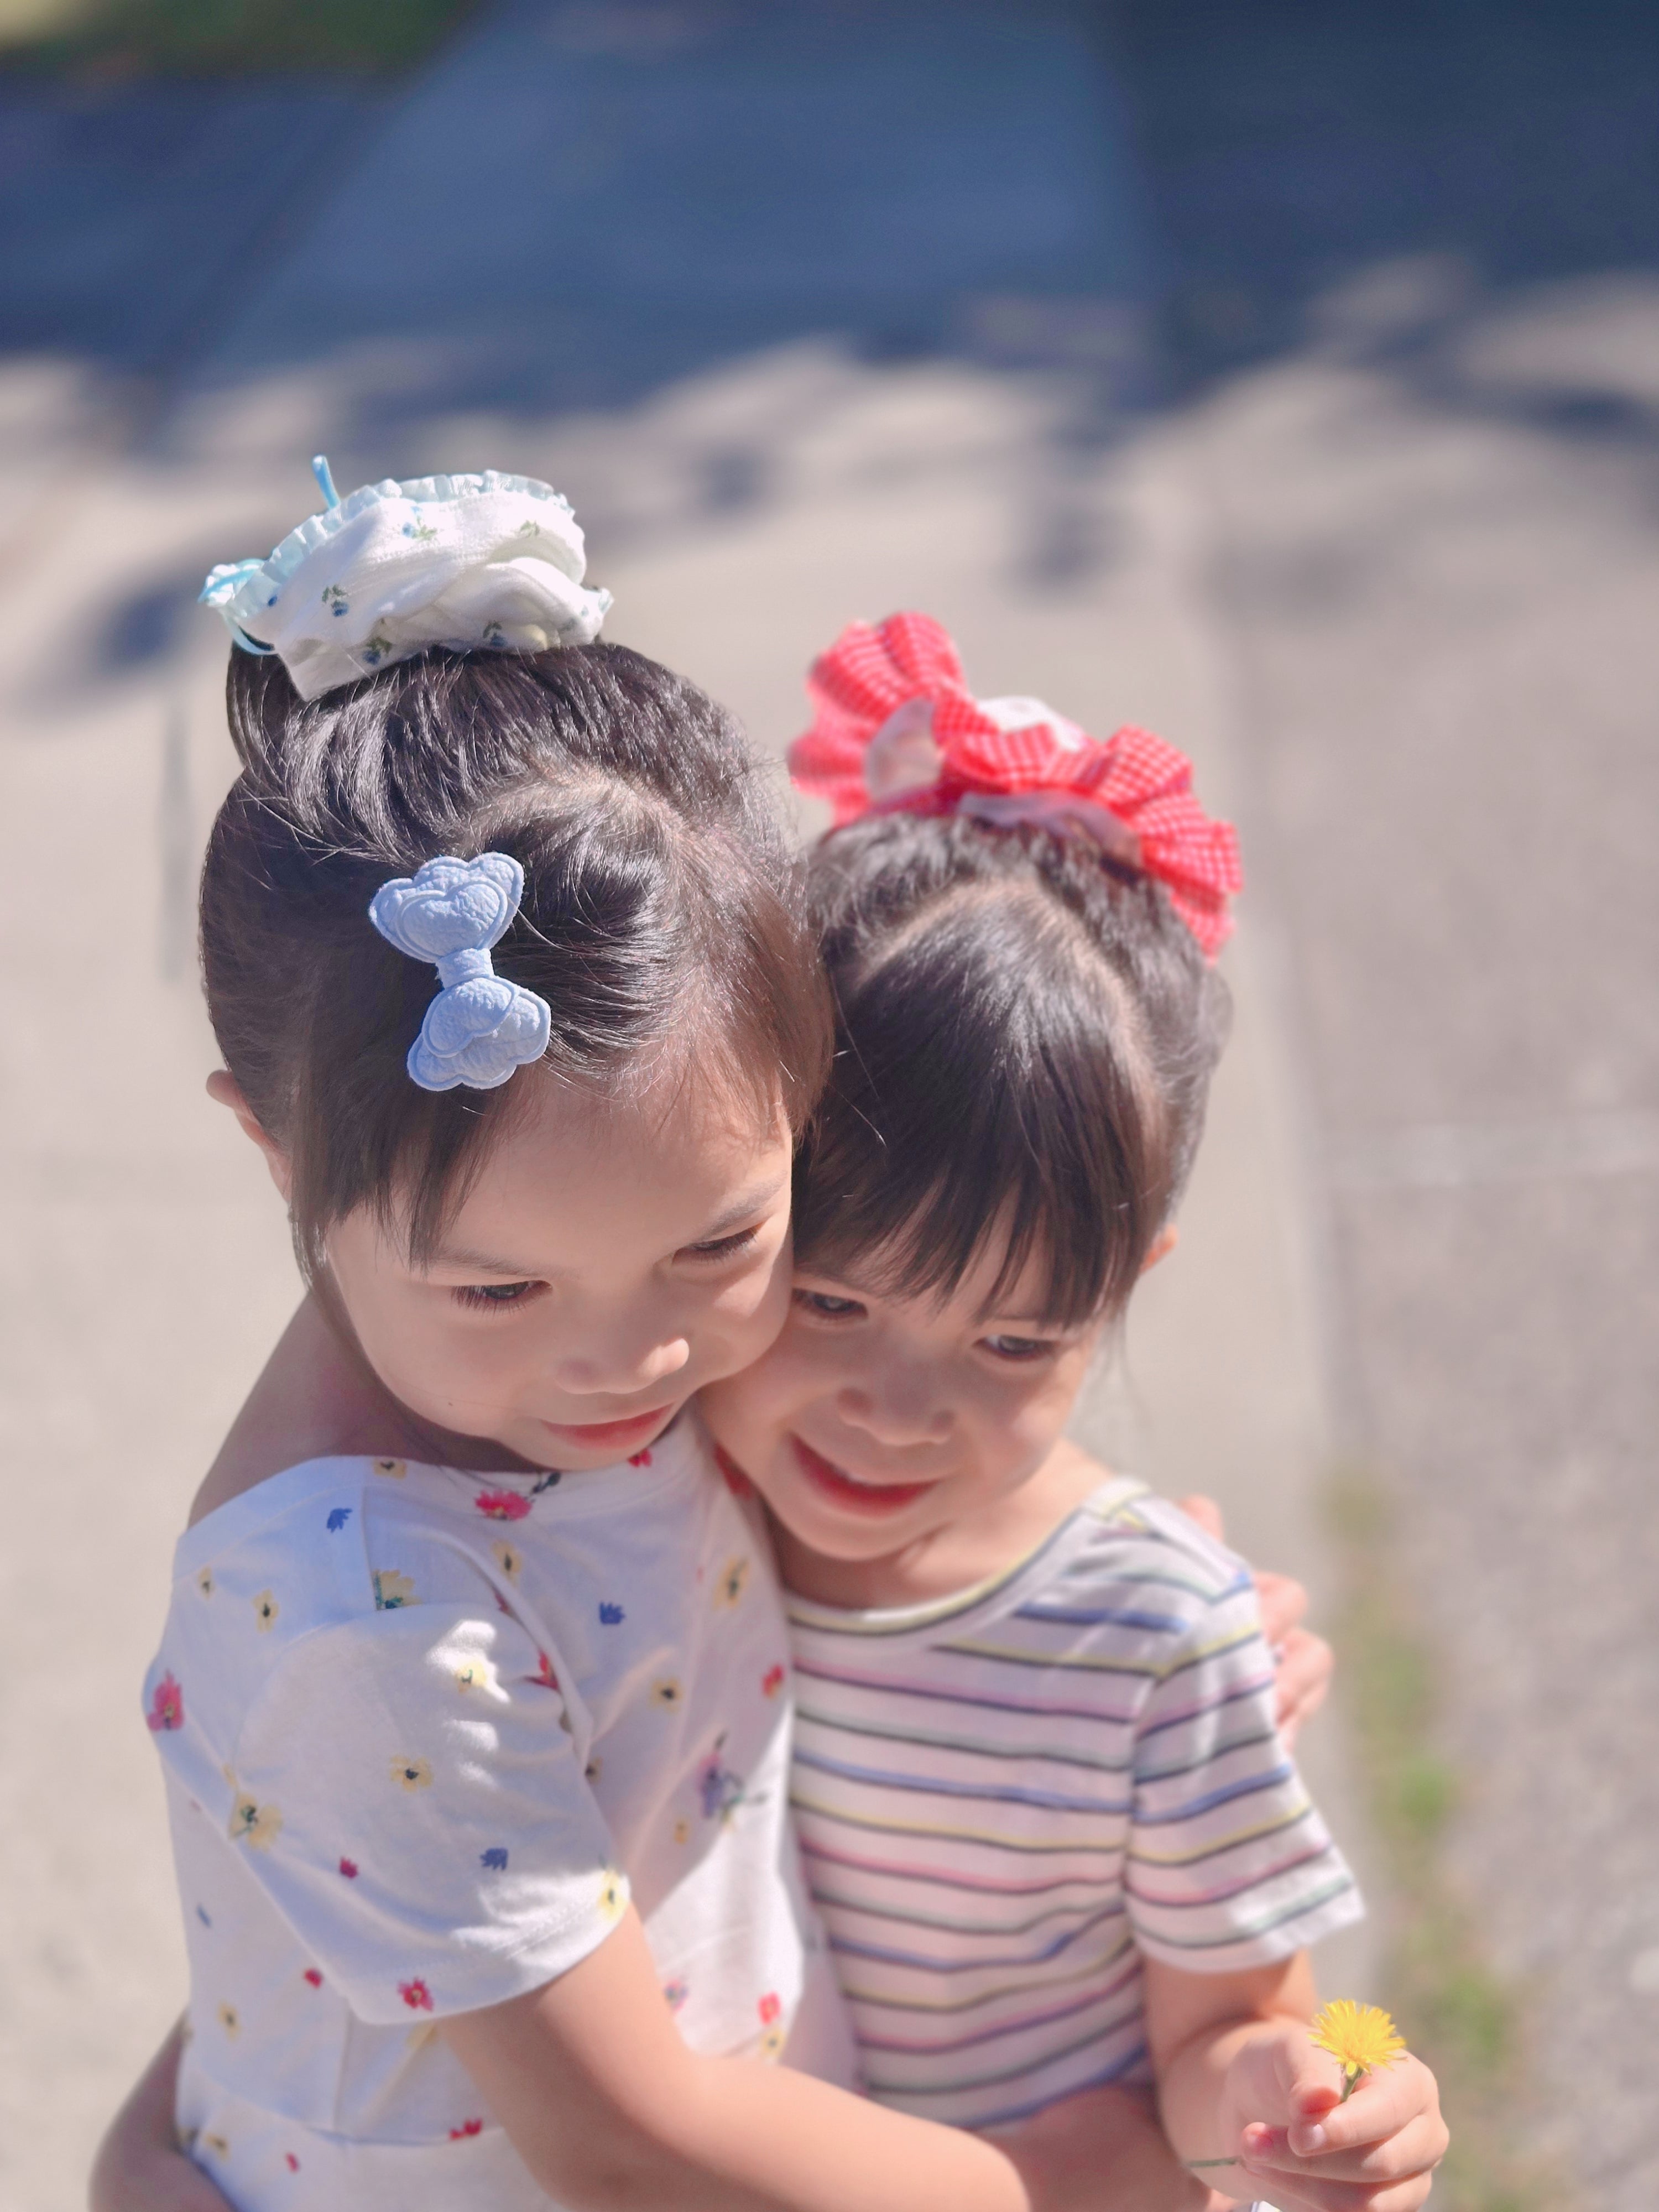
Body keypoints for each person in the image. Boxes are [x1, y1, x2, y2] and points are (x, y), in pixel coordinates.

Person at [99, 470, 1150, 2212]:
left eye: (727, 1243)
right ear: (278, 1153)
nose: (634, 1363)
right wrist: (1054, 2181)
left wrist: (1121, 1571)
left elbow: (874, 1412)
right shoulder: (366, 1599)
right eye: (501, 1287)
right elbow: (628, 2143)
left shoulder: (513, 1369)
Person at [694, 612, 1449, 2212]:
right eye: (829, 1301)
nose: (897, 1410)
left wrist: (1310, 2099)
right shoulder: (654, 1500)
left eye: (1016, 1341)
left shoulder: (1155, 1635)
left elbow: (1238, 2024)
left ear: (1128, 1283)